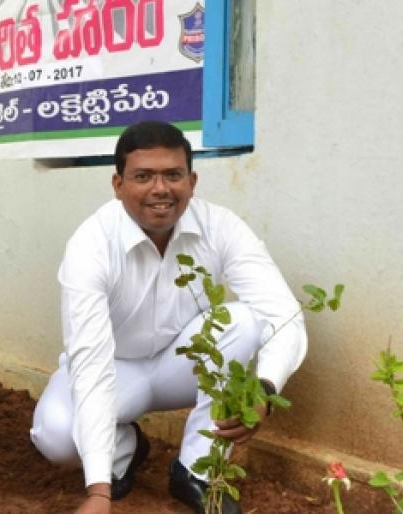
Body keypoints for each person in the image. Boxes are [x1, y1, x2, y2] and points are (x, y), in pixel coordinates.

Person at [29, 121, 305, 514]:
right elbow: (89, 363)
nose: (160, 189)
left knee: (243, 321)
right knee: (55, 435)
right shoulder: (91, 244)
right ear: (117, 184)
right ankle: (124, 450)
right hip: (114, 369)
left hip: (182, 365)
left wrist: (264, 389)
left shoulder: (220, 227)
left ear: (191, 181)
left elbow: (284, 314)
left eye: (173, 175)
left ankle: (197, 471)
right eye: (143, 176)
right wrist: (98, 493)